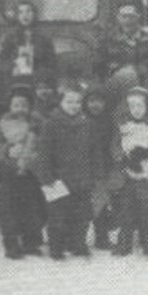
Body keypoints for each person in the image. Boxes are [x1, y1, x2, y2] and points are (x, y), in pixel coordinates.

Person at [33, 83, 104, 260]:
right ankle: (56, 247)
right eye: (69, 101)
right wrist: (46, 176)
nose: (74, 105)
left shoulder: (88, 124)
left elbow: (95, 151)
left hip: (82, 178)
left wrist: (97, 174)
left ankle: (77, 243)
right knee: (58, 215)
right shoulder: (51, 124)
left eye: (78, 102)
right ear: (61, 103)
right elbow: (44, 153)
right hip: (57, 179)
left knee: (82, 214)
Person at [0, 85, 45, 259]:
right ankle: (11, 244)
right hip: (10, 173)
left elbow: (46, 141)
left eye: (24, 105)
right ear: (10, 107)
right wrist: (6, 150)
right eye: (16, 105)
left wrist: (36, 148)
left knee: (33, 207)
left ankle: (31, 242)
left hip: (31, 172)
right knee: (11, 210)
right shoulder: (1, 126)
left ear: (30, 107)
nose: (20, 109)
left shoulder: (37, 124)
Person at [112, 87, 148, 258]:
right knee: (126, 210)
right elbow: (115, 147)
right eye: (133, 106)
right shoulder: (124, 128)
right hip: (128, 174)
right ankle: (125, 242)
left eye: (140, 106)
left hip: (147, 175)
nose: (136, 110)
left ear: (147, 107)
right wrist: (123, 156)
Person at [0, 1, 57, 97]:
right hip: (15, 78)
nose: (25, 15)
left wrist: (39, 70)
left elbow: (51, 62)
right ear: (17, 16)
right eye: (21, 12)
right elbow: (2, 59)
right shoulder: (10, 36)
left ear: (34, 14)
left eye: (29, 11)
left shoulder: (44, 37)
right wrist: (12, 67)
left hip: (38, 80)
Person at [96, 2, 148, 87]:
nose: (127, 20)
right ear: (118, 18)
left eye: (131, 16)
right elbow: (98, 71)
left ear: (138, 17)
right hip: (113, 90)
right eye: (124, 16)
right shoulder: (106, 42)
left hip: (143, 90)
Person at [84, 85, 120, 251]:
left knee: (102, 204)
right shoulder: (82, 121)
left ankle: (102, 238)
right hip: (86, 168)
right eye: (91, 101)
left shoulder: (110, 120)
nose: (95, 105)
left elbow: (114, 141)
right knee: (83, 205)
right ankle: (77, 238)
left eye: (99, 101)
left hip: (105, 167)